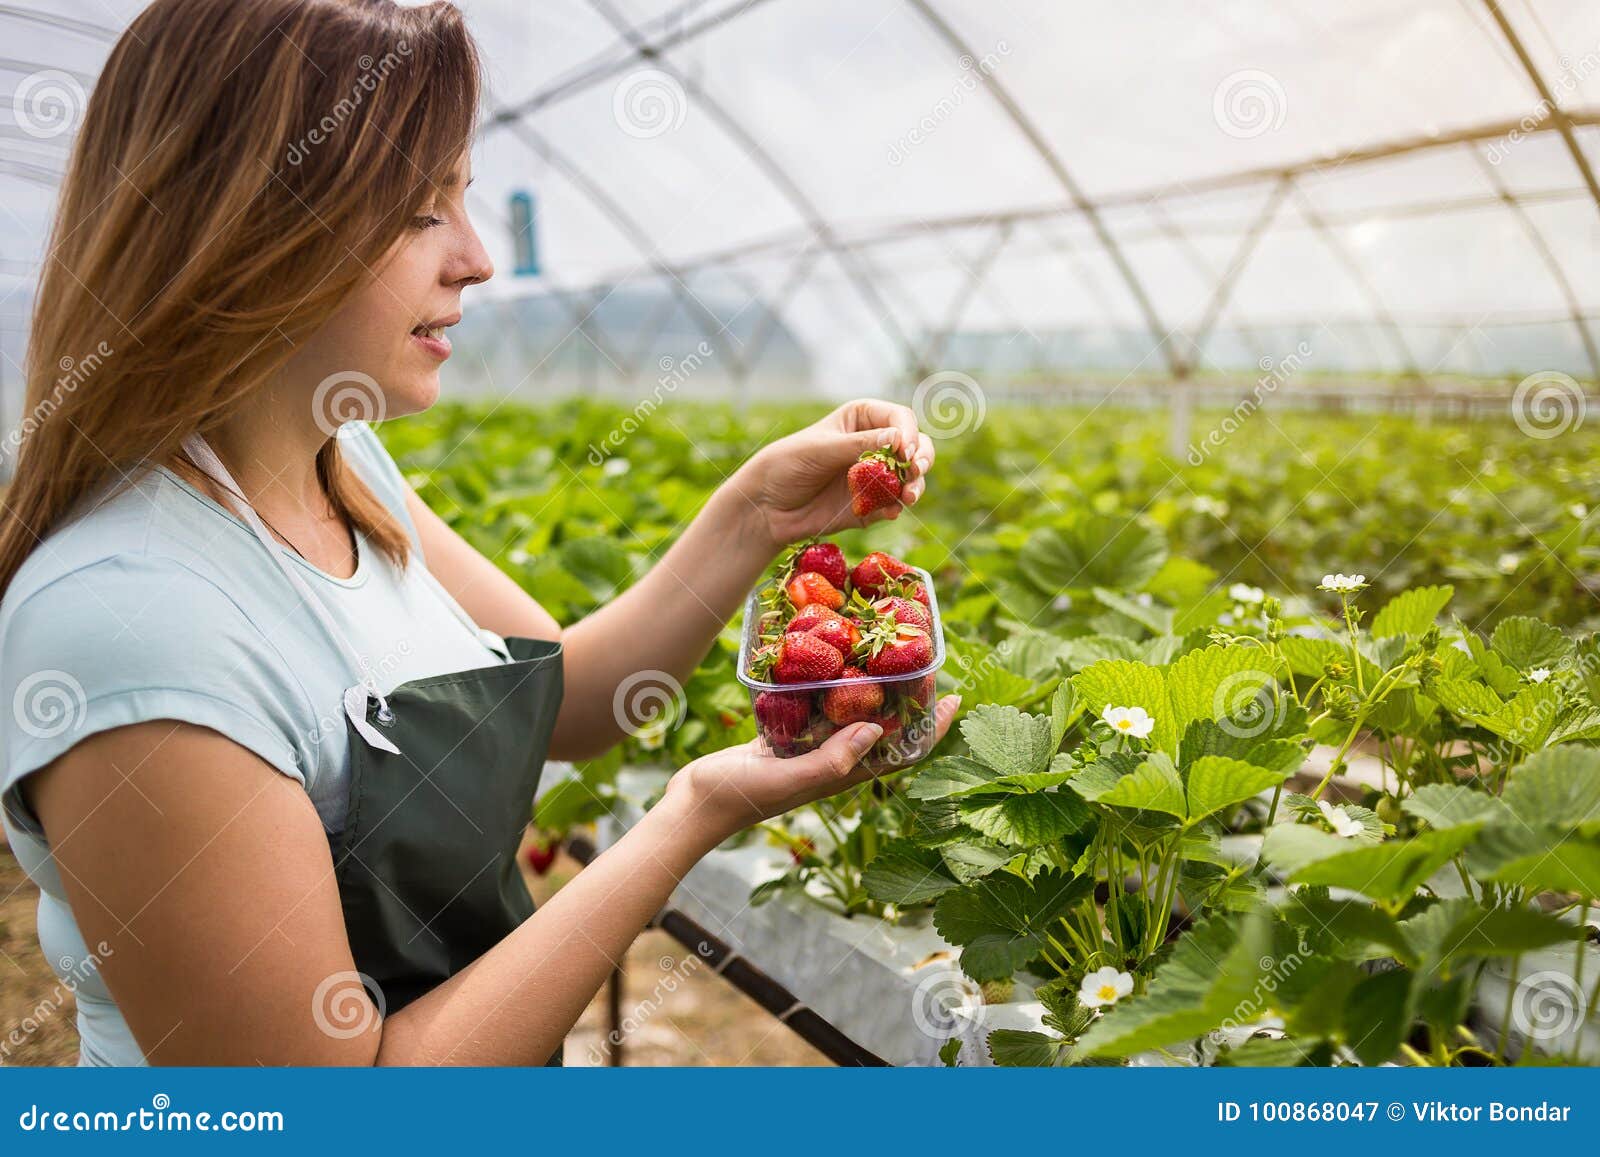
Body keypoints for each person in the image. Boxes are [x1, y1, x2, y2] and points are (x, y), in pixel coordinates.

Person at [0, 0, 956, 1066]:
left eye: (462, 197)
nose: (477, 258)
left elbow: (575, 697)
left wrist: (753, 515)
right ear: (244, 228)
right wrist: (689, 812)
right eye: (419, 212)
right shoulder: (130, 625)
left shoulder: (344, 458)